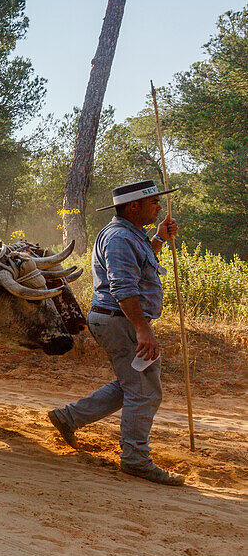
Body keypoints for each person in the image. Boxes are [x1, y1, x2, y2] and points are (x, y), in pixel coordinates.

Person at [48, 179, 185, 486]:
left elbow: (137, 266)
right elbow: (123, 288)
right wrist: (142, 327)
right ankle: (135, 459)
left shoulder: (130, 235)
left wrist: (159, 239)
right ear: (133, 206)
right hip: (121, 320)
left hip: (118, 319)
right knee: (145, 391)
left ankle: (69, 417)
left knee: (134, 384)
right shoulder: (121, 237)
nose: (159, 207)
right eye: (153, 202)